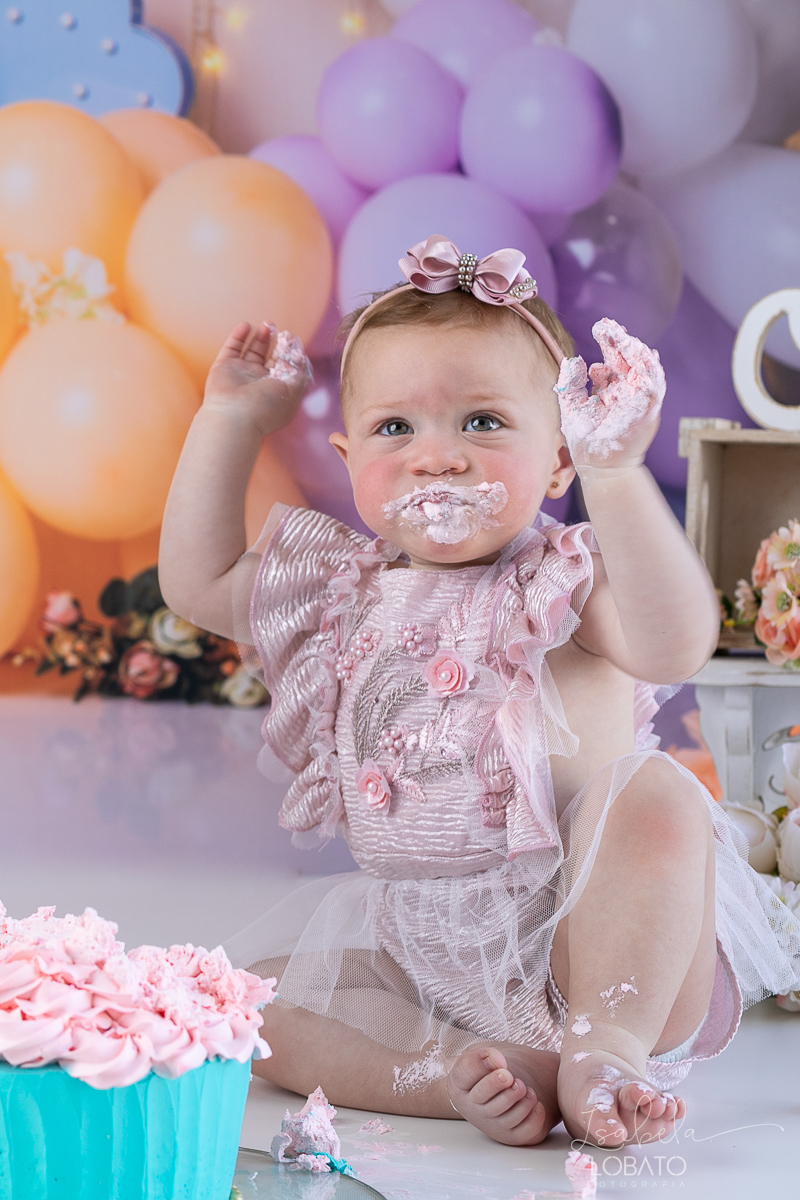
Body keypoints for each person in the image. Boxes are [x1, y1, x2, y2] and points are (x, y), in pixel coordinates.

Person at [159, 236, 800, 1149]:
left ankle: (602, 1050)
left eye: (483, 422)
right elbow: (199, 578)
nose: (438, 458)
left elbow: (674, 644)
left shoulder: (564, 580)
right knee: (253, 1000)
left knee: (653, 795)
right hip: (417, 953)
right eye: (395, 430)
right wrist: (227, 420)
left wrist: (619, 473)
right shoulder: (346, 583)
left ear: (558, 463)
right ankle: (439, 1075)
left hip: (590, 942)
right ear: (346, 458)